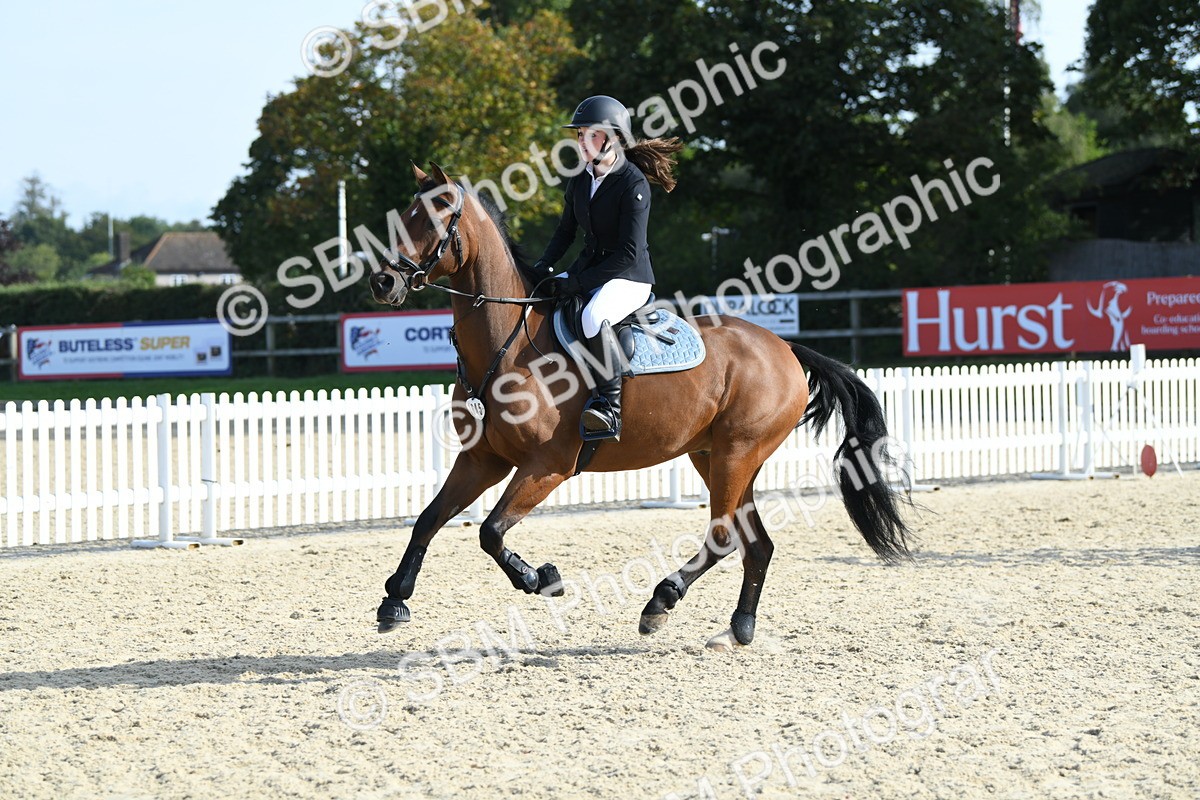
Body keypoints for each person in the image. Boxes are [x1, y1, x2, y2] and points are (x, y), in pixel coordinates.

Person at [529, 95, 682, 441]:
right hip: (592, 268)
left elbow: (628, 253)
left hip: (629, 277)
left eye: (591, 135)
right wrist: (543, 266)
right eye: (580, 135)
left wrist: (579, 283)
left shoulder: (633, 184)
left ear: (613, 137)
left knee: (593, 316)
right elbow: (565, 232)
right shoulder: (580, 181)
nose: (583, 142)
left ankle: (608, 405)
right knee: (540, 298)